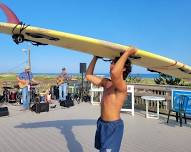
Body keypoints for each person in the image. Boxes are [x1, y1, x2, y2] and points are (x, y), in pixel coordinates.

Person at [85, 47, 137, 152]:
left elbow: (115, 73)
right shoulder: (106, 83)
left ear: (123, 68)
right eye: (111, 63)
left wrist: (127, 53)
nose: (111, 65)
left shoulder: (122, 86)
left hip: (113, 127)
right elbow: (88, 76)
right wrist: (95, 57)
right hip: (101, 123)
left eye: (113, 63)